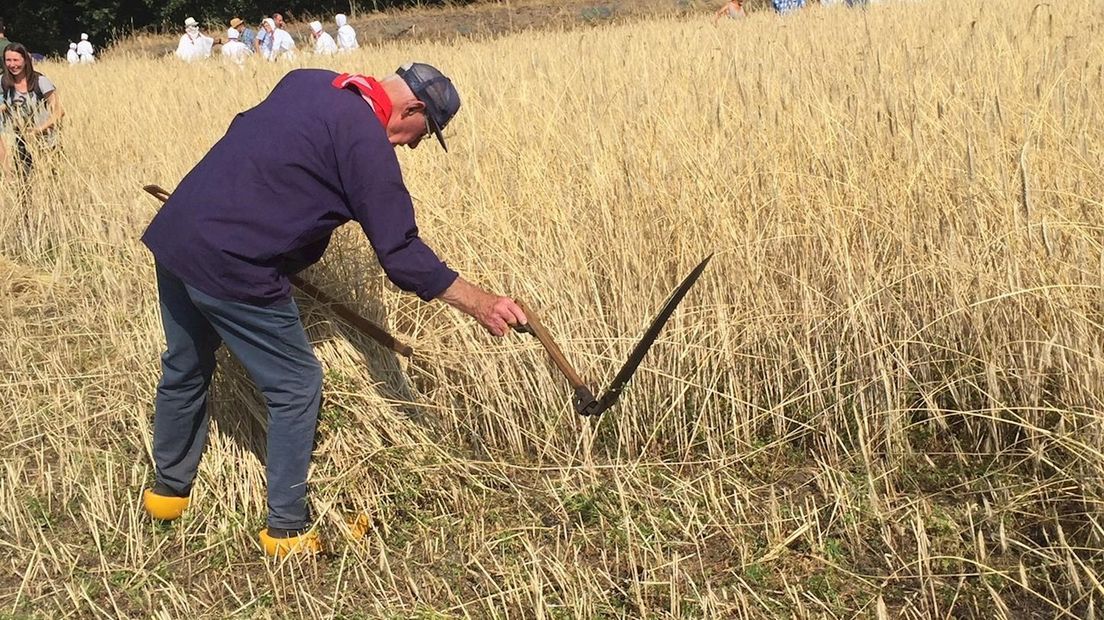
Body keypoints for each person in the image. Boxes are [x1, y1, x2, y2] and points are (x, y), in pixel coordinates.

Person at [138, 62, 527, 557]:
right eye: (420, 135)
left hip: (178, 235)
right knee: (297, 385)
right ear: (413, 108)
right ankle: (287, 530)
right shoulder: (366, 145)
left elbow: (265, 146)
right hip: (233, 264)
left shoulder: (310, 80)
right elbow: (402, 254)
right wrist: (482, 303)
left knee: (185, 367)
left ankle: (167, 496)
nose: (409, 146)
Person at [0, 43, 64, 178]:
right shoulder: (4, 82)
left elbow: (59, 111)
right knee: (24, 183)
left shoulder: (40, 81)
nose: (12, 65)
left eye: (16, 60)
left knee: (51, 181)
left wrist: (39, 129)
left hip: (47, 142)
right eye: (8, 60)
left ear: (25, 60)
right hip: (22, 142)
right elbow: (10, 103)